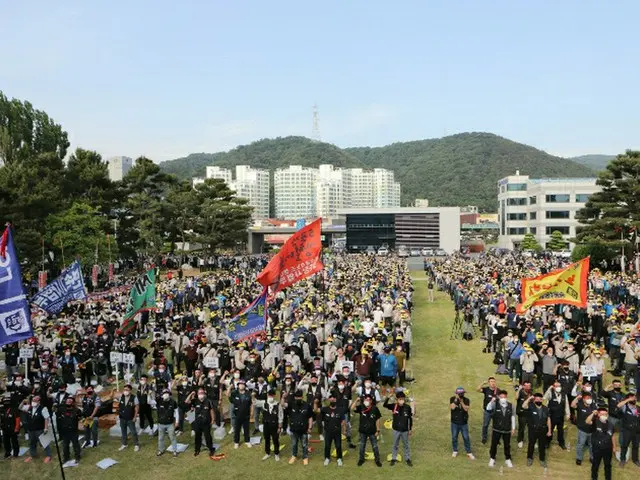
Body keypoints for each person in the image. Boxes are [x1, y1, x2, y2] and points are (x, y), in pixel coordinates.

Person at [486, 389, 515, 468]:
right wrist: (492, 401)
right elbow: (488, 408)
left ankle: (507, 459)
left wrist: (513, 428)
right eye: (501, 397)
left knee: (507, 445)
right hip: (496, 429)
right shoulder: (495, 404)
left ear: (506, 397)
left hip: (507, 429)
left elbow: (512, 416)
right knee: (494, 444)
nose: (503, 398)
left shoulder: (511, 405)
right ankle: (492, 458)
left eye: (504, 397)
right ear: (498, 397)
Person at [383, 390, 413, 466]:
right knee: (395, 444)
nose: (401, 400)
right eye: (400, 399)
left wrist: (410, 429)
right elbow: (385, 405)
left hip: (405, 430)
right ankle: (393, 458)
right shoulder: (394, 406)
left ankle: (407, 459)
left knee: (406, 445)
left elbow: (410, 419)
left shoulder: (408, 407)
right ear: (397, 400)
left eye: (402, 399)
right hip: (396, 429)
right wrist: (388, 397)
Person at [587, 405, 616, 480]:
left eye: (605, 414)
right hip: (597, 448)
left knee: (608, 465)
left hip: (608, 448)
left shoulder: (611, 425)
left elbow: (612, 436)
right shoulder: (595, 422)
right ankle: (594, 478)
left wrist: (614, 447)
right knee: (595, 464)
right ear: (599, 414)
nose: (604, 416)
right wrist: (593, 414)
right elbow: (587, 421)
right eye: (602, 414)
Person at [522, 392, 550, 467]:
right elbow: (524, 406)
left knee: (542, 445)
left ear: (542, 400)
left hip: (543, 430)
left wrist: (549, 430)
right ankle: (529, 458)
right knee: (531, 444)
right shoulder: (531, 406)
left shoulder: (545, 408)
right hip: (532, 430)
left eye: (540, 399)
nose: (539, 400)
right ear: (534, 400)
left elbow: (548, 419)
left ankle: (542, 459)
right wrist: (529, 398)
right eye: (537, 399)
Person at [186, 387, 216, 458]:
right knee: (197, 437)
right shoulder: (195, 401)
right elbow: (186, 402)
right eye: (199, 393)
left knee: (208, 436)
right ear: (197, 394)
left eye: (202, 393)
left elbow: (211, 410)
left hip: (206, 422)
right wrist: (191, 394)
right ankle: (197, 450)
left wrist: (213, 419)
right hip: (198, 423)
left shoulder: (208, 401)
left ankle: (211, 449)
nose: (201, 394)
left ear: (204, 394)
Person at [353, 394, 382, 467]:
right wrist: (356, 400)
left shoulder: (375, 408)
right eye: (366, 399)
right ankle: (361, 459)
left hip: (372, 431)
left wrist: (378, 430)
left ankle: (377, 460)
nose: (367, 401)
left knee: (375, 446)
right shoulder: (361, 407)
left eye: (368, 400)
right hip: (363, 431)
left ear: (371, 401)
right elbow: (352, 408)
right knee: (362, 446)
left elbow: (378, 419)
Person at [22, 395, 52, 463]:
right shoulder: (29, 407)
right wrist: (23, 401)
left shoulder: (43, 408)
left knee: (44, 442)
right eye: (33, 400)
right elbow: (20, 407)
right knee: (32, 443)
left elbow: (46, 418)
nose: (33, 402)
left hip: (39, 429)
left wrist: (46, 428)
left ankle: (48, 455)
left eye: (35, 401)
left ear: (39, 401)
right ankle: (32, 455)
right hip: (31, 429)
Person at [288, 390, 313, 465]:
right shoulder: (291, 404)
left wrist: (310, 427)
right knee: (294, 444)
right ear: (295, 397)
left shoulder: (307, 405)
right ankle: (294, 456)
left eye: (299, 397)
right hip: (294, 429)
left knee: (304, 444)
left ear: (302, 397)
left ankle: (305, 457)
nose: (298, 398)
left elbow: (310, 417)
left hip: (304, 429)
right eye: (296, 397)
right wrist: (283, 397)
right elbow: (282, 405)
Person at [320, 391, 345, 467]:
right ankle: (327, 458)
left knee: (338, 446)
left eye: (334, 398)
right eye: (331, 398)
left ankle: (339, 458)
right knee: (327, 446)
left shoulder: (340, 410)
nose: (332, 399)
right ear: (329, 399)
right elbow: (316, 410)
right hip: (328, 432)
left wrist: (342, 429)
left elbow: (343, 421)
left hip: (337, 432)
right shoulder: (325, 409)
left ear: (336, 400)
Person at [449, 387, 475, 460]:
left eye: (462, 393)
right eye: (460, 394)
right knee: (454, 437)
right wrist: (456, 400)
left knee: (466, 437)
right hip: (454, 422)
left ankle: (469, 452)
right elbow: (452, 407)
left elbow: (466, 409)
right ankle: (455, 450)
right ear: (456, 394)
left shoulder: (466, 400)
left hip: (463, 423)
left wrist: (461, 402)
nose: (461, 395)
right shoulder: (452, 399)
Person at [571, 390, 596, 466]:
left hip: (592, 430)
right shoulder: (580, 405)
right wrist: (577, 398)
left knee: (592, 445)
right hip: (582, 430)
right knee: (580, 444)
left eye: (590, 398)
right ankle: (579, 458)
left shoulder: (593, 406)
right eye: (587, 398)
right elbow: (572, 405)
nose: (589, 399)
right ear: (584, 399)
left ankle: (592, 458)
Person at [543, 380, 570, 449]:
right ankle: (547, 442)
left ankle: (561, 443)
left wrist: (568, 414)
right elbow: (544, 398)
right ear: (553, 387)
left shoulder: (564, 394)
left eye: (559, 386)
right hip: (552, 416)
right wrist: (549, 388)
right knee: (550, 429)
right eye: (556, 386)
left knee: (560, 430)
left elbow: (566, 405)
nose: (558, 387)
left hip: (561, 416)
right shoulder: (550, 393)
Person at [57, 396, 83, 465]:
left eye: (70, 401)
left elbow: (80, 418)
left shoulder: (77, 410)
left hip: (73, 431)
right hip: (65, 431)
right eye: (67, 401)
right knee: (65, 445)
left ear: (73, 403)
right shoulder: (61, 410)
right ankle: (66, 458)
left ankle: (77, 457)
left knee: (75, 444)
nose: (68, 402)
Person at [617, 390, 639, 467]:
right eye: (632, 398)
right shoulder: (624, 407)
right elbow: (618, 405)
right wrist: (628, 400)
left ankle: (635, 459)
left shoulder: (638, 408)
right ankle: (622, 460)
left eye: (634, 398)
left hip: (636, 431)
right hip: (627, 430)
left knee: (636, 446)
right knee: (624, 445)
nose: (634, 399)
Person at [230, 378, 252, 448]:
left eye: (242, 384)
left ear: (245, 385)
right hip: (237, 414)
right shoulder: (234, 393)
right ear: (238, 385)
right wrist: (229, 388)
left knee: (246, 429)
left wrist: (252, 412)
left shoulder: (248, 393)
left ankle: (247, 441)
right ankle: (236, 442)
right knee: (237, 429)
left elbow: (251, 403)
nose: (241, 386)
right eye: (240, 384)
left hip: (246, 414)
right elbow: (229, 397)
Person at [156, 389, 178, 457]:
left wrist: (177, 421)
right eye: (164, 393)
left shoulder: (173, 402)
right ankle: (161, 450)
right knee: (160, 438)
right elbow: (149, 401)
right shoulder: (159, 401)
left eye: (167, 393)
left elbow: (176, 412)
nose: (165, 394)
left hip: (170, 424)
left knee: (172, 437)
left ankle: (175, 450)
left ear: (169, 394)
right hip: (161, 423)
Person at [117, 384, 140, 452]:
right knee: (123, 432)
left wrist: (135, 416)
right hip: (122, 418)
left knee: (133, 432)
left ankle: (136, 444)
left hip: (130, 418)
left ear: (130, 390)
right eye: (124, 390)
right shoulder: (121, 397)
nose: (125, 391)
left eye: (127, 390)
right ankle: (124, 444)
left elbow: (137, 407)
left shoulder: (134, 398)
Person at [261, 390, 282, 462]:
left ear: (274, 396)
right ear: (267, 395)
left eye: (272, 395)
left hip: (275, 425)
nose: (271, 397)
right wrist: (253, 396)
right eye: (269, 395)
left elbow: (280, 416)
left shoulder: (278, 405)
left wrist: (279, 427)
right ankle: (267, 453)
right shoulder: (264, 403)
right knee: (267, 439)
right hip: (266, 425)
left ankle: (276, 454)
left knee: (275, 440)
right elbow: (255, 402)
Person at [477, 376, 498, 444]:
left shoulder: (498, 390)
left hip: (495, 411)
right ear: (489, 383)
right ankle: (484, 438)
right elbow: (477, 389)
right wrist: (482, 383)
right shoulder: (486, 389)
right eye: (491, 382)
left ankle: (496, 439)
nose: (493, 383)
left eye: (494, 381)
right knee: (485, 425)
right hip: (487, 411)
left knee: (496, 426)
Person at [1, 392, 20, 459]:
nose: (6, 402)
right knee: (6, 442)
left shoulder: (14, 409)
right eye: (4, 401)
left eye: (7, 401)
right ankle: (7, 453)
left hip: (13, 428)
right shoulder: (3, 410)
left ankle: (15, 454)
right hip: (5, 429)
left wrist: (17, 428)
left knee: (14, 442)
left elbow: (17, 419)